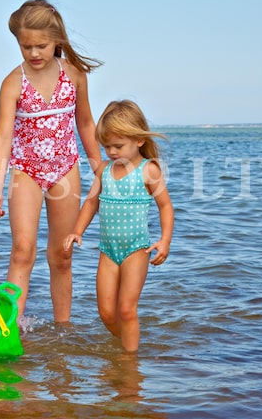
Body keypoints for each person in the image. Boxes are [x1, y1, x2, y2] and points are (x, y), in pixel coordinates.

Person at [0, 0, 103, 323]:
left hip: (66, 170)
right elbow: (3, 139)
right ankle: (9, 329)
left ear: (57, 41)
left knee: (62, 256)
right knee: (23, 251)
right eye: (26, 47)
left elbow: (86, 124)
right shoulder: (13, 83)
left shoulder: (75, 76)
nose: (34, 53)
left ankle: (62, 330)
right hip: (26, 171)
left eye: (41, 45)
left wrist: (99, 167)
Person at [63, 100, 174, 351]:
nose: (112, 152)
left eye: (118, 146)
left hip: (137, 250)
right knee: (106, 312)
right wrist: (76, 231)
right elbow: (91, 203)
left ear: (139, 141)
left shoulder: (149, 171)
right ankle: (125, 345)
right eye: (107, 147)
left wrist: (164, 240)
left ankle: (129, 363)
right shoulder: (104, 170)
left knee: (126, 309)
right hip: (108, 251)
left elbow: (165, 206)